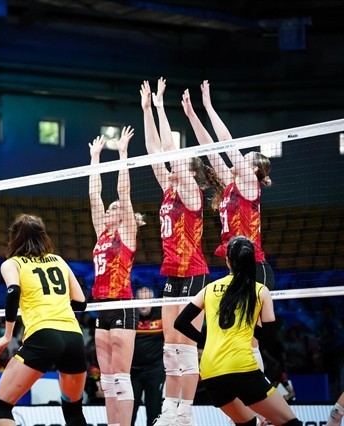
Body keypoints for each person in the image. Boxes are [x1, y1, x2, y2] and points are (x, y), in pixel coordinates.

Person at [142, 78, 221, 426]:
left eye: (177, 167)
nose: (170, 169)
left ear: (188, 173)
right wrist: (148, 109)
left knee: (186, 349)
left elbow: (169, 152)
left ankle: (184, 412)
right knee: (169, 349)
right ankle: (170, 409)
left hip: (193, 273)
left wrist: (162, 107)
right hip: (172, 273)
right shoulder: (169, 191)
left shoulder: (191, 195)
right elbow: (154, 153)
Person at [181, 80, 274, 371]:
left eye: (246, 161)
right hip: (234, 266)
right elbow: (211, 150)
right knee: (241, 335)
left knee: (252, 339)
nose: (238, 161)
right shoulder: (232, 185)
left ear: (255, 170)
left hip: (254, 265)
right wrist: (193, 116)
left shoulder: (248, 185)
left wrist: (209, 106)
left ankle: (263, 397)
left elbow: (227, 144)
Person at [174, 236, 301, 426]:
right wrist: (250, 330)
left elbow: (181, 322)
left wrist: (205, 341)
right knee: (290, 423)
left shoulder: (209, 289)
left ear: (227, 261)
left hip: (210, 372)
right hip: (242, 369)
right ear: (252, 262)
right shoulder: (259, 291)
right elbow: (270, 338)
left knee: (247, 424)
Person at [0, 213, 88, 426]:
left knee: (0, 407)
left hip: (43, 336)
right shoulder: (59, 260)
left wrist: (7, 335)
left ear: (13, 237)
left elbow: (13, 291)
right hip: (74, 338)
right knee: (73, 412)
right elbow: (80, 302)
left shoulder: (12, 264)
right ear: (43, 235)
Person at [88, 126, 144, 426]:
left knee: (121, 378)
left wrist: (122, 153)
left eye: (114, 209)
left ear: (122, 215)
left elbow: (124, 192)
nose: (109, 210)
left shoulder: (127, 233)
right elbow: (94, 195)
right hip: (100, 307)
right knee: (106, 380)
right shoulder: (102, 233)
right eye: (108, 210)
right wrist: (95, 159)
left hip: (122, 303)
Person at [131, 287, 165, 426]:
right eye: (141, 300)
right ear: (135, 301)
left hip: (155, 371)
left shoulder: (162, 315)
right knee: (130, 411)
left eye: (147, 300)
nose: (144, 304)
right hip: (132, 372)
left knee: (154, 411)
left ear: (153, 301)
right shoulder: (130, 316)